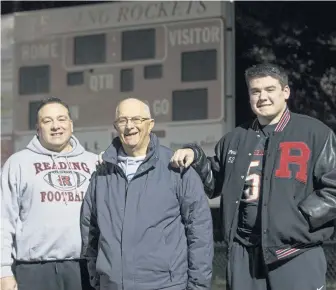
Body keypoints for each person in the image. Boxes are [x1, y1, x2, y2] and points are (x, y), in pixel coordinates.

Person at [170, 63, 336, 290]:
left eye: (270, 89)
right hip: (243, 254)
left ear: (285, 92)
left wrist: (299, 218)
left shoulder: (314, 133)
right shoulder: (235, 139)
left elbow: (333, 189)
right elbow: (213, 183)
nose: (262, 97)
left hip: (295, 253)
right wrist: (195, 155)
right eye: (255, 91)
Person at [80, 98, 213, 290]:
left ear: (150, 125)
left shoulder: (177, 169)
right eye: (123, 120)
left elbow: (200, 233)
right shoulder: (103, 174)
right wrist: (98, 278)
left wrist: (198, 286)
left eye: (136, 119)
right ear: (115, 126)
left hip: (165, 285)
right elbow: (89, 231)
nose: (129, 126)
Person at [1, 97, 97, 290]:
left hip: (84, 268)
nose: (56, 126)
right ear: (38, 129)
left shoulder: (93, 163)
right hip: (33, 270)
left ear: (71, 125)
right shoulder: (18, 163)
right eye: (47, 121)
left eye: (61, 119)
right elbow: (4, 220)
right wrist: (3, 271)